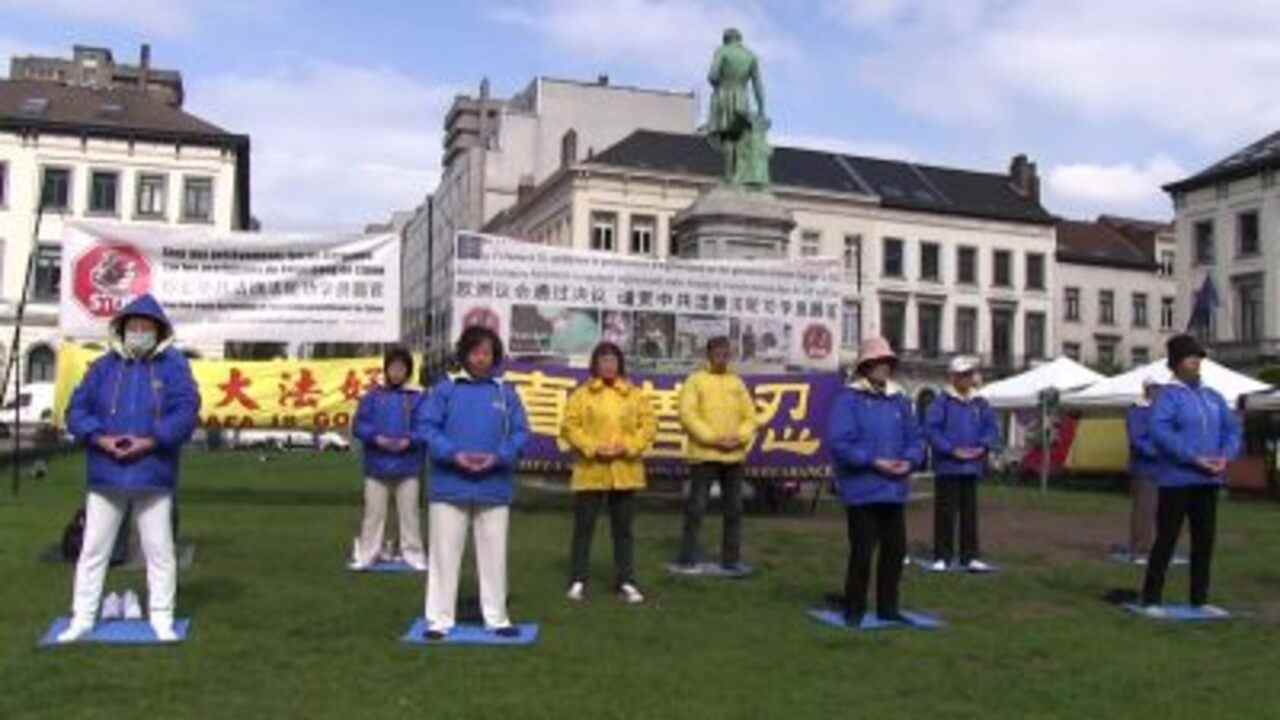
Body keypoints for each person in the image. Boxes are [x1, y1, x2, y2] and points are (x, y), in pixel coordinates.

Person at [59, 294, 200, 642]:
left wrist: (151, 441)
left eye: (146, 327)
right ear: (122, 330)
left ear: (159, 331)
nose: (139, 332)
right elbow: (76, 411)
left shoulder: (174, 368)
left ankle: (162, 618)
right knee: (93, 550)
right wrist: (100, 438)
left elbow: (186, 411)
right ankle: (82, 619)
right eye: (133, 326)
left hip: (153, 474)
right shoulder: (102, 368)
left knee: (159, 550)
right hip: (106, 474)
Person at [420, 326, 530, 639]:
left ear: (495, 356)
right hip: (449, 484)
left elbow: (521, 433)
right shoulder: (446, 389)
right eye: (476, 352)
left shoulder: (505, 392)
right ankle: (440, 619)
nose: (481, 359)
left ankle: (497, 618)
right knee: (444, 554)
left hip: (494, 485)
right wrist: (454, 456)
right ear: (465, 354)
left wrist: (498, 457)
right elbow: (426, 427)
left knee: (494, 554)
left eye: (488, 352)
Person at [1140, 334, 1241, 617]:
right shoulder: (1168, 397)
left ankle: (1199, 599)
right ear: (1176, 363)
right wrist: (1193, 458)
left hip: (1208, 481)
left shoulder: (1213, 397)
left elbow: (1232, 430)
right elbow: (1160, 433)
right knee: (1167, 539)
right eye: (1190, 357)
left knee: (1204, 540)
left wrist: (1224, 456)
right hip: (1177, 479)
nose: (1196, 361)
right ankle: (1151, 599)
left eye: (1198, 357)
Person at [826, 337, 925, 624]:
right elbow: (840, 442)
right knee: (862, 552)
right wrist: (873, 461)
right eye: (879, 362)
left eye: (887, 362)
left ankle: (888, 607)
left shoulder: (900, 400)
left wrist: (909, 460)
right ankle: (854, 609)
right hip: (862, 489)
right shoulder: (849, 399)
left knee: (895, 551)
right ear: (865, 366)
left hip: (893, 489)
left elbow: (915, 438)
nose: (884, 367)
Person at [560, 342, 656, 603]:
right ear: (595, 364)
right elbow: (570, 427)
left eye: (613, 360)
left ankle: (626, 580)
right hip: (591, 470)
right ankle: (578, 579)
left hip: (625, 470)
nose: (608, 365)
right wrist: (593, 448)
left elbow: (648, 427)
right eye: (603, 360)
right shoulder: (582, 395)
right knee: (584, 528)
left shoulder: (635, 395)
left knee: (623, 529)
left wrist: (626, 447)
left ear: (620, 364)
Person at [674, 336, 759, 572]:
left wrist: (739, 438)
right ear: (708, 354)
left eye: (726, 353)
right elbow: (687, 414)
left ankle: (730, 559)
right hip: (703, 455)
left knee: (734, 510)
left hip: (734, 456)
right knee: (696, 508)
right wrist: (713, 439)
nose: (722, 357)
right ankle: (688, 557)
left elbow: (750, 417)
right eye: (718, 353)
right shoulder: (695, 380)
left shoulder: (737, 383)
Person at [350, 346, 428, 571]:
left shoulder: (418, 397)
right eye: (392, 367)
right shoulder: (372, 397)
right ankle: (367, 554)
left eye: (401, 368)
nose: (396, 372)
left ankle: (413, 555)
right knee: (373, 514)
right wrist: (376, 438)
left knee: (410, 514)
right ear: (386, 369)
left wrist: (409, 440)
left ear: (408, 371)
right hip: (376, 465)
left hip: (409, 466)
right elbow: (359, 425)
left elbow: (425, 427)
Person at [924, 355, 1000, 571]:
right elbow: (931, 429)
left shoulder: (980, 402)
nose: (967, 379)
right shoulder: (942, 402)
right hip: (948, 466)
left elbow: (991, 428)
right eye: (963, 375)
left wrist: (982, 446)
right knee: (945, 512)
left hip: (971, 466)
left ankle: (969, 556)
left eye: (969, 375)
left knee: (969, 513)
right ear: (953, 377)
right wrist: (951, 450)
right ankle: (942, 556)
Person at [1124, 377, 1162, 564]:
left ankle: (1157, 548)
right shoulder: (1138, 411)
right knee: (1144, 510)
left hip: (1165, 471)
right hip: (1146, 469)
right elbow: (1138, 440)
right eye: (1156, 388)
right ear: (1148, 389)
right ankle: (1140, 550)